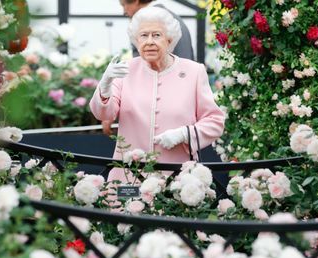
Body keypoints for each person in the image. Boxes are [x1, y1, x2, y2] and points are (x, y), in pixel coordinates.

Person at [89, 6, 224, 182]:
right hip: (129, 176)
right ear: (136, 41)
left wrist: (184, 134)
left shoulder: (194, 72)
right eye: (144, 36)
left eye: (156, 35)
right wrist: (105, 85)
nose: (149, 41)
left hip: (178, 177)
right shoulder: (125, 70)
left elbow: (215, 122)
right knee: (126, 210)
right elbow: (103, 113)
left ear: (169, 39)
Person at [101, 0, 194, 135]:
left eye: (124, 5)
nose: (124, 11)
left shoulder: (144, 25)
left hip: (157, 114)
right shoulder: (175, 19)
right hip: (181, 111)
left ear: (137, 1)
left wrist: (114, 108)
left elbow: (140, 74)